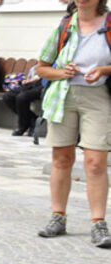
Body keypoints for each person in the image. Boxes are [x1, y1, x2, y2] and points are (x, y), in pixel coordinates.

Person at [34, 0, 111, 247]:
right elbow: (42, 68)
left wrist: (104, 69)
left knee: (96, 163)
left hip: (98, 98)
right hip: (63, 97)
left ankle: (99, 223)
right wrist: (61, 72)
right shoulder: (65, 26)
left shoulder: (109, 24)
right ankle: (58, 216)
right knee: (61, 159)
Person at [3, 65, 43, 136]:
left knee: (22, 97)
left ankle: (22, 126)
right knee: (8, 96)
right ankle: (32, 119)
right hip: (32, 84)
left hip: (45, 85)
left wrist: (31, 80)